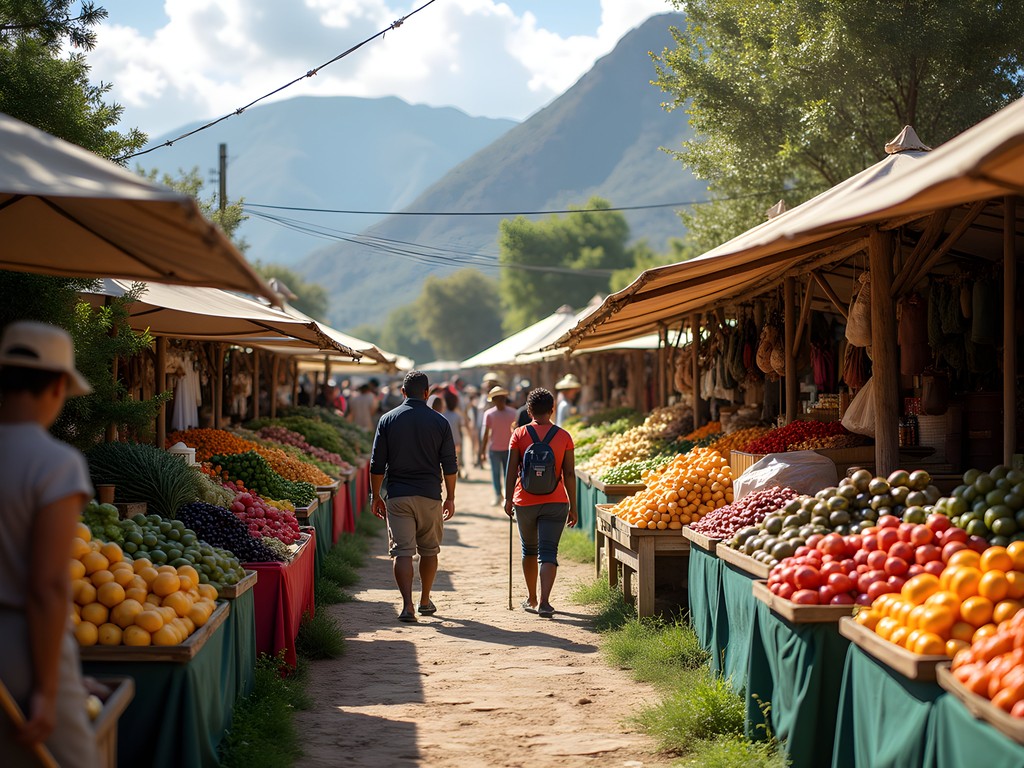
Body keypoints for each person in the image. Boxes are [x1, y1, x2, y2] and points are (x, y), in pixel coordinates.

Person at [0, 321, 98, 768]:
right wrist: (48, 690)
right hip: (22, 646)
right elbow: (46, 585)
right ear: (59, 386)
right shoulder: (57, 464)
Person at [369, 371, 457, 622]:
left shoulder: (387, 420)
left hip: (398, 495)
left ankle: (407, 605)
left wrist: (376, 495)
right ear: (427, 393)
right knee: (429, 551)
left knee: (402, 552)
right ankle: (425, 600)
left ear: (403, 392)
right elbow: (450, 465)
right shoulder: (440, 422)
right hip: (430, 495)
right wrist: (450, 497)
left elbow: (377, 464)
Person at [504, 388, 577, 618]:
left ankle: (532, 598)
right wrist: (574, 506)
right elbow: (570, 473)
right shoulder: (564, 436)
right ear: (552, 409)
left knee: (529, 550)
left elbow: (511, 470)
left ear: (529, 410)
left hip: (525, 500)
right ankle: (545, 602)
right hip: (556, 501)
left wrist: (507, 499)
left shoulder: (519, 434)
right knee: (548, 552)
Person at [478, 386, 517, 506]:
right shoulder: (489, 414)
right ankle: (498, 495)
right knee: (495, 474)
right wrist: (482, 451)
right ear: (493, 400)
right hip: (494, 449)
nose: (500, 401)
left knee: (508, 474)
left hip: (509, 449)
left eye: (502, 398)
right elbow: (485, 434)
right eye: (497, 399)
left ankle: (507, 497)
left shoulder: (513, 413)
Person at [441, 389, 466, 479]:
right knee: (457, 458)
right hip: (457, 440)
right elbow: (460, 429)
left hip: (445, 442)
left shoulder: (442, 415)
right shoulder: (457, 416)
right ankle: (458, 471)